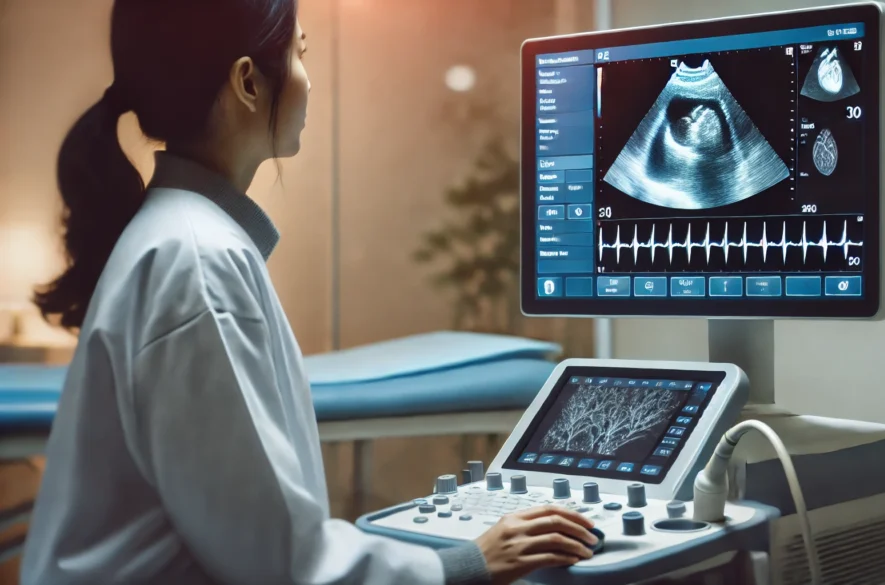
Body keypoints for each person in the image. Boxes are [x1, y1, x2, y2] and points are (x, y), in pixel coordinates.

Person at [19, 1, 598, 584]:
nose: (309, 77)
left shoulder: (177, 238)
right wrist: (470, 562)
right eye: (299, 54)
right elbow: (281, 562)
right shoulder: (196, 262)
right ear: (248, 82)